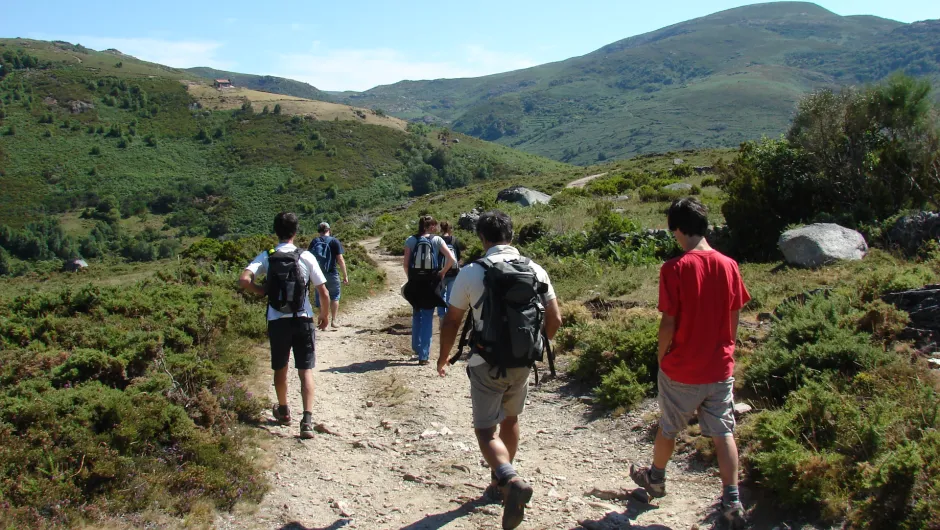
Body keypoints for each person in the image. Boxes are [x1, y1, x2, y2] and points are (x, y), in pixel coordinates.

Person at [437, 210, 563, 530]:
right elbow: (555, 320)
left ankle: (509, 479)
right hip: (523, 363)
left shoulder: (472, 271)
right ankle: (499, 482)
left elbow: (452, 320)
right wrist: (535, 345)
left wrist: (443, 357)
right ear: (512, 234)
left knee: (484, 431)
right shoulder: (535, 269)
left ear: (482, 238)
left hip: (485, 362)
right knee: (511, 419)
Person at [629, 198, 750, 528]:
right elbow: (734, 311)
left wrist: (661, 357)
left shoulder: (674, 269)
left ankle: (656, 479)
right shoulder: (729, 265)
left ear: (680, 229)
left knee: (669, 426)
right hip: (719, 365)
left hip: (682, 366)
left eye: (674, 232)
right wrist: (728, 344)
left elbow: (668, 322)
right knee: (723, 431)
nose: (675, 238)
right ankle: (732, 500)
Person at [239, 212, 330, 439]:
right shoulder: (306, 256)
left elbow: (243, 280)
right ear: (296, 232)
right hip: (303, 318)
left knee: (280, 368)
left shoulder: (267, 256)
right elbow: (324, 292)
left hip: (277, 320)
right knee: (305, 370)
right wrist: (324, 315)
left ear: (276, 231)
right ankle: (307, 420)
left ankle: (284, 410)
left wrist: (262, 291)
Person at [402, 215, 456, 365]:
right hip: (431, 283)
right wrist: (443, 272)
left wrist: (411, 278)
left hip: (415, 283)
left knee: (416, 313)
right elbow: (451, 259)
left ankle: (416, 346)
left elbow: (405, 264)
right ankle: (424, 356)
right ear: (431, 226)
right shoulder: (437, 240)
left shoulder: (411, 240)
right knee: (427, 317)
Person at [309, 222, 349, 329]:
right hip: (332, 272)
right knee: (335, 296)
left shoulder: (314, 241)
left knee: (320, 296)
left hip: (318, 274)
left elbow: (309, 259)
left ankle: (323, 320)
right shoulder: (334, 241)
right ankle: (334, 320)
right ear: (329, 230)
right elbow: (340, 259)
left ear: (319, 231)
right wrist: (345, 275)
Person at [437, 221, 462, 323]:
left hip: (441, 272)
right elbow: (459, 257)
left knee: (440, 295)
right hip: (454, 272)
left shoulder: (438, 240)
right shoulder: (455, 240)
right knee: (450, 297)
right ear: (450, 229)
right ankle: (448, 317)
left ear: (441, 229)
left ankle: (441, 317)